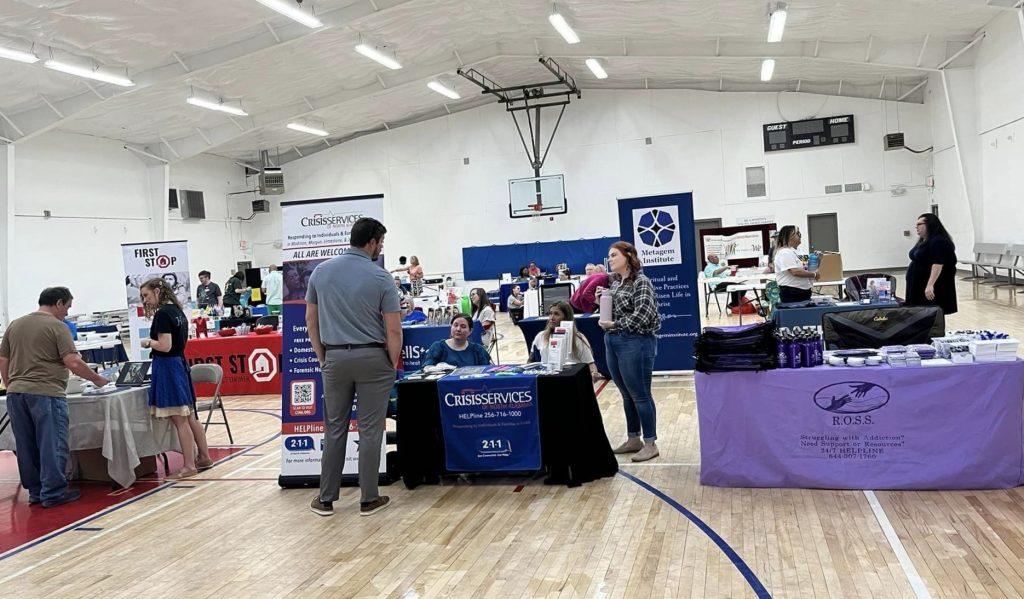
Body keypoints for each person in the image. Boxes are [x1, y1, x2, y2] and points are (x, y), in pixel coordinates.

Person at [307, 217, 401, 518]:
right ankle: (368, 498)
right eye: (381, 243)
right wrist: (391, 362)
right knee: (372, 429)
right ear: (371, 242)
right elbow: (394, 330)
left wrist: (324, 357)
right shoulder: (380, 277)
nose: (381, 248)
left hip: (335, 357)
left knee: (334, 428)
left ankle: (325, 499)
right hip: (373, 358)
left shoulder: (320, 272)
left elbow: (311, 321)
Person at [0, 287, 109, 507]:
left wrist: (13, 385)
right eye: (67, 307)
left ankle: (36, 492)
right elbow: (73, 362)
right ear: (59, 303)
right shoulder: (57, 327)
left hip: (16, 393)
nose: (67, 313)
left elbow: (3, 361)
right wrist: (98, 379)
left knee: (26, 444)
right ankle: (53, 492)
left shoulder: (15, 325)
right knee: (51, 443)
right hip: (45, 393)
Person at [138, 278, 213, 479]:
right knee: (190, 416)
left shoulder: (162, 314)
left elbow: (165, 345)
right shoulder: (178, 311)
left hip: (168, 366)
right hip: (179, 363)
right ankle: (204, 456)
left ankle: (189, 465)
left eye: (146, 295)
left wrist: (147, 342)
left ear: (157, 291)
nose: (144, 300)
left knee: (180, 418)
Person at [598, 241, 661, 463]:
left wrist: (614, 325)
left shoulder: (642, 282)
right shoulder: (614, 283)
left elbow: (643, 315)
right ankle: (634, 438)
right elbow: (612, 314)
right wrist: (602, 301)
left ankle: (650, 443)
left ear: (628, 256)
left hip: (636, 342)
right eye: (609, 256)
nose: (610, 259)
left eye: (614, 255)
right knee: (626, 394)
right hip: (613, 341)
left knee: (640, 394)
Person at [531, 301, 601, 381]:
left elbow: (590, 363)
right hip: (547, 380)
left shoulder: (578, 338)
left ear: (566, 318)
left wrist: (593, 374)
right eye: (550, 314)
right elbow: (531, 360)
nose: (551, 318)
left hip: (572, 381)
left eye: (556, 314)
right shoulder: (541, 336)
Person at [906, 213, 958, 315]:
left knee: (931, 313)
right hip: (918, 284)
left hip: (932, 284)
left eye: (919, 224)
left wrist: (930, 285)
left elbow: (938, 264)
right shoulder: (923, 240)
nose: (916, 228)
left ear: (929, 224)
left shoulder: (939, 241)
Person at [422, 314, 492, 368]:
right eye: (455, 325)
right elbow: (427, 367)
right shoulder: (438, 347)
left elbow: (488, 371)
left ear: (470, 331)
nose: (458, 329)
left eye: (463, 326)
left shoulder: (478, 350)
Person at [773, 225, 819, 303]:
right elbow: (795, 271)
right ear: (790, 236)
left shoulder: (800, 251)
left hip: (804, 291)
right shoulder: (784, 252)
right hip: (791, 293)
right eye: (798, 233)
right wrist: (814, 275)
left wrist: (815, 258)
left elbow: (806, 267)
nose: (800, 235)